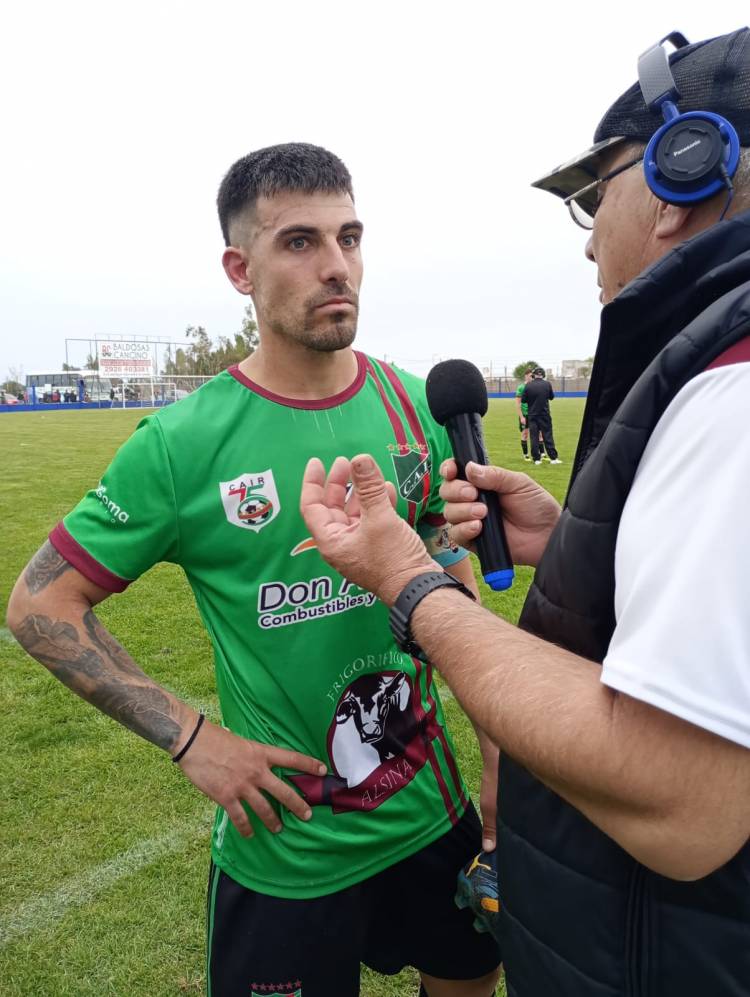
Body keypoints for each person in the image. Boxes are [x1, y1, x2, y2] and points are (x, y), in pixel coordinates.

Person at [299, 29, 750, 997]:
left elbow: (682, 805)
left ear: (687, 164)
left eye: (597, 194)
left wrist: (412, 586)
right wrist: (587, 548)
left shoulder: (737, 389)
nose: (590, 234)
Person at [7, 143, 500, 997]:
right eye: (301, 242)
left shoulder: (414, 403)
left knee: (470, 976)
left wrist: (501, 761)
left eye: (350, 237)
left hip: (428, 810)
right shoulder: (181, 443)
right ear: (241, 268)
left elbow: (448, 581)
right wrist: (193, 739)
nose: (338, 265)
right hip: (288, 846)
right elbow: (40, 602)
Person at [521, 367, 560, 464]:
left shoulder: (528, 385)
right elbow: (551, 397)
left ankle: (536, 459)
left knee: (534, 437)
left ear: (534, 375)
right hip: (544, 414)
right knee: (547, 435)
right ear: (543, 375)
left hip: (532, 415)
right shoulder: (547, 384)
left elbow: (523, 400)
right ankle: (553, 458)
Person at [514, 369, 546, 462]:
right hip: (525, 414)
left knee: (540, 434)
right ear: (526, 376)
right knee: (525, 434)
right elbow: (518, 404)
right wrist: (521, 417)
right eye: (530, 375)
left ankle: (543, 454)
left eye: (533, 376)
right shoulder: (521, 387)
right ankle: (525, 455)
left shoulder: (535, 386)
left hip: (535, 414)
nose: (532, 377)